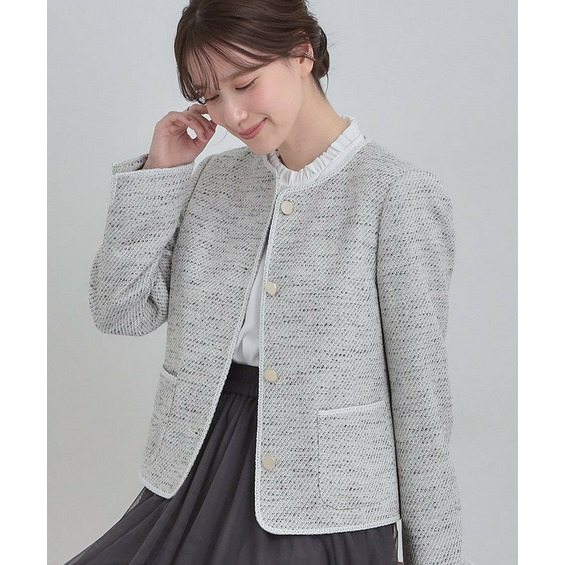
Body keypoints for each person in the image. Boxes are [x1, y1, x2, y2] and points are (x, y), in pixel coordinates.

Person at [65, 1, 472, 564]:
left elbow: (421, 402)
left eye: (245, 83)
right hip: (196, 472)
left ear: (302, 53)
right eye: (210, 95)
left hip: (324, 504)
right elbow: (120, 309)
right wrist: (160, 175)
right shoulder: (215, 182)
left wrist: (437, 556)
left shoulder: (394, 196)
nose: (232, 114)